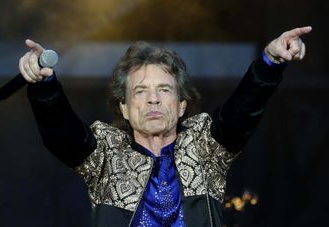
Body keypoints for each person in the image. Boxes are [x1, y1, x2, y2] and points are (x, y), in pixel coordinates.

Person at [19, 26, 312, 227]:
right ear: (124, 107)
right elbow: (62, 133)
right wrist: (45, 85)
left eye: (164, 89)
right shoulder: (104, 153)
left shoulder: (204, 145)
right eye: (140, 91)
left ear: (182, 104)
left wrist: (270, 61)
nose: (153, 99)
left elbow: (243, 108)